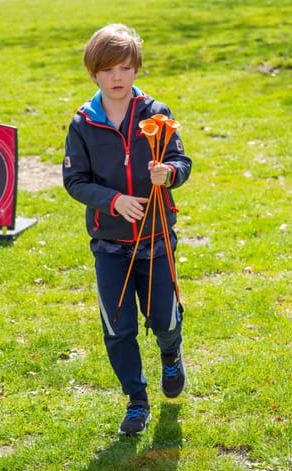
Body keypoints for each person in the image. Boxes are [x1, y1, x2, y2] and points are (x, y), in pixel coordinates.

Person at [62, 23, 192, 436]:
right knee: (118, 329)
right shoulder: (83, 123)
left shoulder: (157, 113)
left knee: (163, 318)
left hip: (156, 240)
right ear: (94, 73)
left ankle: (171, 354)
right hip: (109, 243)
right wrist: (113, 201)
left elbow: (183, 163)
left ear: (136, 70)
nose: (116, 78)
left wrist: (167, 172)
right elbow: (74, 181)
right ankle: (137, 400)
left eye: (125, 68)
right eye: (107, 70)